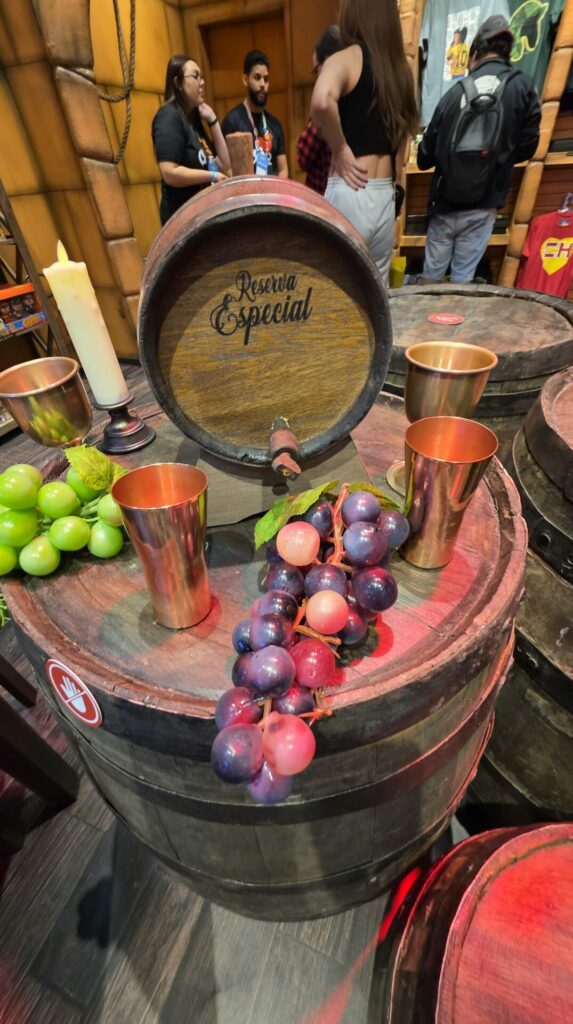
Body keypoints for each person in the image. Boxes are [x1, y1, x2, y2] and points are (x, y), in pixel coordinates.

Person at [418, 16, 540, 284]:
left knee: (429, 280)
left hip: (445, 203)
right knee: (463, 279)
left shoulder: (452, 94)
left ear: (473, 55)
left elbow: (423, 157)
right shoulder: (522, 86)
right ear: (507, 53)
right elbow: (527, 147)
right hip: (485, 202)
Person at [310, 0, 418, 283]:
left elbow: (321, 101)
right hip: (385, 194)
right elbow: (402, 143)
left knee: (337, 291)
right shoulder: (401, 70)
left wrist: (340, 148)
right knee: (377, 293)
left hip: (351, 187)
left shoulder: (346, 59)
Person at [152, 55, 230, 225]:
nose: (202, 82)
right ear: (178, 83)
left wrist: (213, 121)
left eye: (202, 77)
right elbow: (169, 172)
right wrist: (211, 175)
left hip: (201, 216)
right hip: (181, 220)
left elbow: (224, 164)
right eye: (195, 76)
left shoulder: (193, 122)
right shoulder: (168, 115)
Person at [221, 51, 288, 177]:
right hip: (245, 189)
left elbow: (283, 170)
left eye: (266, 79)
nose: (263, 84)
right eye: (257, 78)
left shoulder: (275, 124)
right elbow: (225, 168)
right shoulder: (231, 122)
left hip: (271, 189)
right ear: (245, 80)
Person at [296, 27, 342, 194]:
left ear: (328, 61)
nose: (317, 78)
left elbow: (303, 156)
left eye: (317, 70)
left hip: (324, 196)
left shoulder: (326, 102)